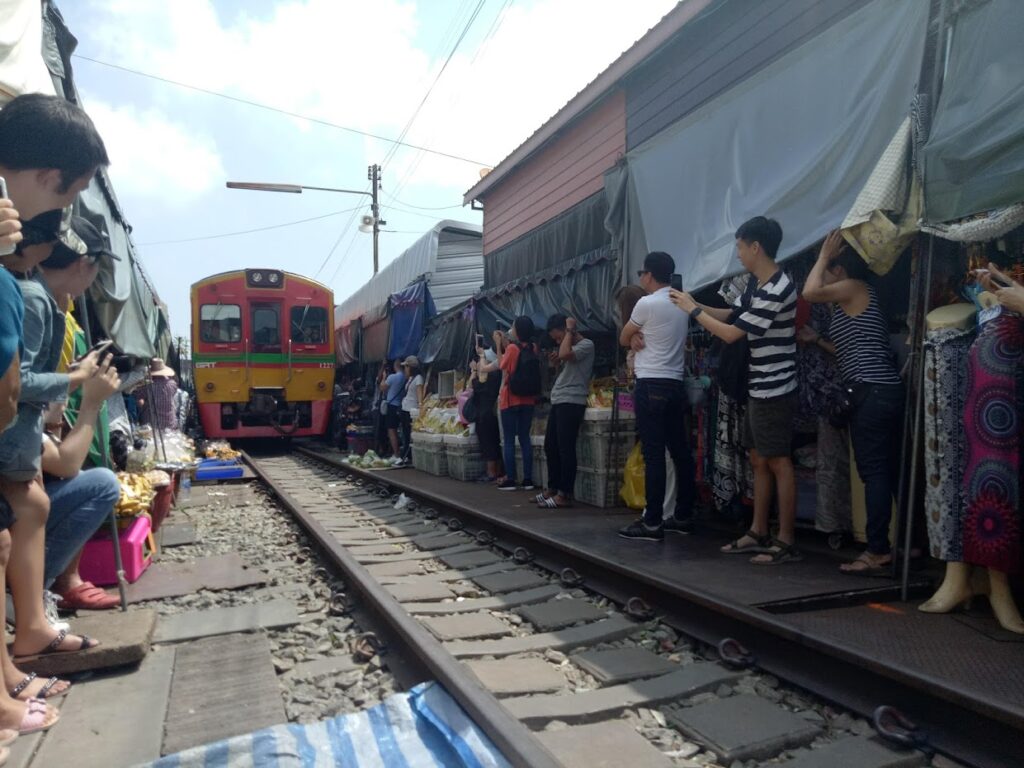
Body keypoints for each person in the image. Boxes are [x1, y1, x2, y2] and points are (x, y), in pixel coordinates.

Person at [671, 216, 801, 565]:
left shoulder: (779, 287)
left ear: (755, 246)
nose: (739, 255)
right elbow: (732, 316)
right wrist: (690, 302)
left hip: (776, 386)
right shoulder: (759, 285)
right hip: (759, 384)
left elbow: (730, 334)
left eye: (740, 248)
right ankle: (758, 531)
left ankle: (786, 540)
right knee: (759, 458)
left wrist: (693, 309)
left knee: (778, 460)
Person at [801, 231, 904, 574]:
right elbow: (850, 350)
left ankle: (877, 550)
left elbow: (809, 292)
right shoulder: (857, 298)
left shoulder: (853, 287)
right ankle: (910, 543)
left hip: (871, 393)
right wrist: (817, 340)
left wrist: (822, 257)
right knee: (890, 470)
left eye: (829, 269)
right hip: (882, 390)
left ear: (839, 271)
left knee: (873, 471)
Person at [618, 252, 695, 540]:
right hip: (676, 384)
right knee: (680, 451)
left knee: (654, 454)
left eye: (642, 272)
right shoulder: (681, 302)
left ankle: (652, 522)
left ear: (649, 275)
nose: (641, 277)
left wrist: (633, 337)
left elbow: (624, 337)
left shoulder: (646, 303)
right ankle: (683, 515)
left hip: (650, 384)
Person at [537, 315, 595, 508]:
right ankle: (553, 488)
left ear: (567, 329)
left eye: (558, 337)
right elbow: (563, 360)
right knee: (551, 446)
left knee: (565, 448)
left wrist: (569, 331)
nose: (557, 341)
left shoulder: (587, 345)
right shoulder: (568, 346)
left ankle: (565, 493)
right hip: (560, 399)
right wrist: (556, 365)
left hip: (572, 401)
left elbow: (565, 354)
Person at [495, 317, 540, 491]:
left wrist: (499, 345)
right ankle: (528, 479)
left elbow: (503, 366)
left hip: (510, 398)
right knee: (524, 438)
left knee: (508, 439)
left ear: (518, 330)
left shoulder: (512, 348)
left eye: (513, 327)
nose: (511, 329)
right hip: (528, 399)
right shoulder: (533, 348)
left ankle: (511, 479)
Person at [471, 346, 502, 482]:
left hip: (485, 414)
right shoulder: (498, 374)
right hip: (493, 413)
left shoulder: (486, 377)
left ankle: (491, 473)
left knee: (488, 443)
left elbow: (473, 387)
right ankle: (497, 472)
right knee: (494, 442)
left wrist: (474, 371)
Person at [136, 358, 179, 431]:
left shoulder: (147, 386)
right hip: (170, 424)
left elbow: (135, 396)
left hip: (151, 425)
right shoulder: (173, 384)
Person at [396, 356, 424, 466]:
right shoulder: (411, 379)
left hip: (411, 410)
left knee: (408, 434)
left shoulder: (418, 379)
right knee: (405, 433)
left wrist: (420, 407)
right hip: (405, 408)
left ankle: (406, 456)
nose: (405, 369)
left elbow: (419, 395)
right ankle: (406, 456)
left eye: (406, 366)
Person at [379, 360, 405, 459]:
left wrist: (384, 377)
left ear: (395, 365)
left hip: (392, 406)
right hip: (402, 406)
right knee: (402, 431)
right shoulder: (406, 377)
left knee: (391, 430)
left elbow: (382, 388)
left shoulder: (392, 377)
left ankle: (396, 453)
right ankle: (402, 451)